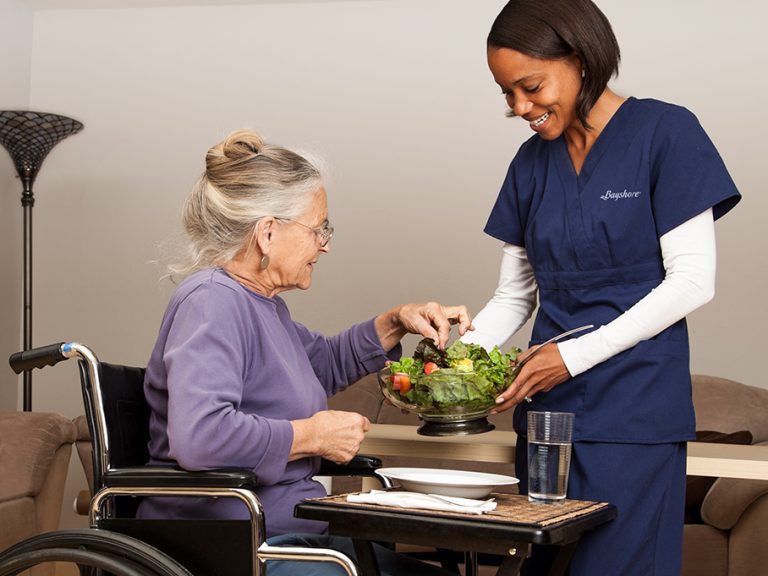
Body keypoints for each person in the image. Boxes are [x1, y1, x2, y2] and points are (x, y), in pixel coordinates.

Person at [461, 1, 741, 575]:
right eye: (506, 94)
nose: (520, 108)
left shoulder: (667, 133)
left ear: (581, 59)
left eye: (531, 86)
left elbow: (691, 282)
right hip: (546, 426)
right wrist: (457, 363)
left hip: (633, 418)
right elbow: (516, 296)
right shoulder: (530, 163)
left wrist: (569, 357)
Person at [137, 129, 469, 576]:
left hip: (296, 530)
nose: (325, 243)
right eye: (318, 228)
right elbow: (201, 437)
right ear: (268, 234)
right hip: (240, 540)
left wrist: (396, 320)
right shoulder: (212, 302)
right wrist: (311, 436)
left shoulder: (264, 307)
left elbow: (325, 362)